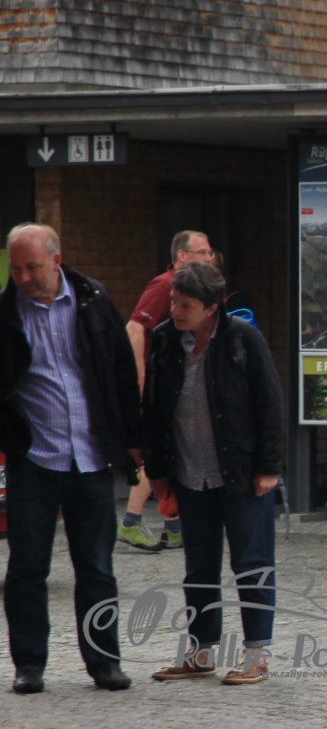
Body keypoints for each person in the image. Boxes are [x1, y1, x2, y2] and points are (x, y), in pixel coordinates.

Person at [0, 223, 139, 693]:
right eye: (16, 268)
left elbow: (121, 370)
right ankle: (29, 665)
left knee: (96, 568)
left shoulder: (93, 300)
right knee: (27, 569)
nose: (23, 277)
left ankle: (104, 662)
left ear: (56, 261)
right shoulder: (6, 313)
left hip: (91, 457)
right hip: (35, 459)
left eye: (33, 267)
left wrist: (132, 439)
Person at [143, 262, 284, 686]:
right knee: (198, 567)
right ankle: (201, 652)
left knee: (251, 564)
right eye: (174, 302)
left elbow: (270, 402)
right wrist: (157, 469)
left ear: (212, 307)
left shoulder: (243, 338)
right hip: (191, 473)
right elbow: (153, 407)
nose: (176, 311)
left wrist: (269, 467)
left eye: (185, 305)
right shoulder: (165, 339)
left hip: (241, 472)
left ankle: (256, 654)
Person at [120, 229, 216, 551]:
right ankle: (131, 520)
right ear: (182, 256)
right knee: (157, 451)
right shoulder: (165, 285)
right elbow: (135, 327)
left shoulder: (201, 288)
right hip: (161, 386)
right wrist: (140, 378)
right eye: (202, 253)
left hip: (181, 385)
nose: (209, 258)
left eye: (210, 253)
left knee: (176, 449)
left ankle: (174, 525)